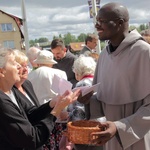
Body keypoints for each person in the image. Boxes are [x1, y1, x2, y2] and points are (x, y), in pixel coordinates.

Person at [78, 2, 150, 150]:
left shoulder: (144, 52)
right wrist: (88, 100)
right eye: (97, 22)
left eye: (102, 22)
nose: (97, 26)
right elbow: (105, 98)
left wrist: (120, 127)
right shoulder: (104, 55)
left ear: (120, 23)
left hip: (139, 136)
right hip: (110, 138)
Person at [0, 47, 81, 150]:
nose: (19, 66)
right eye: (13, 63)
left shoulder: (11, 91)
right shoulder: (2, 101)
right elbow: (32, 138)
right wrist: (56, 110)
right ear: (2, 72)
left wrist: (52, 103)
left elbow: (30, 114)